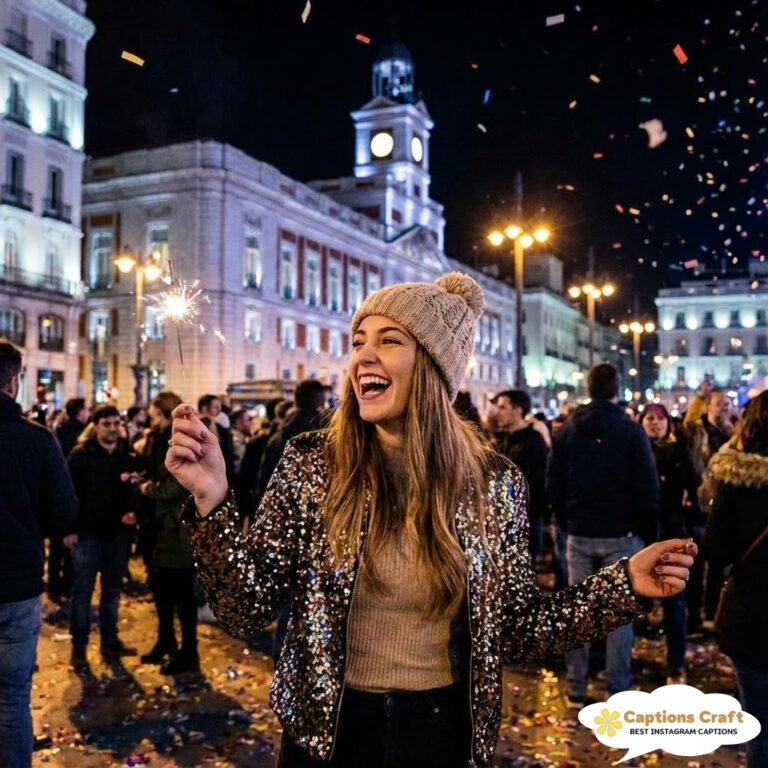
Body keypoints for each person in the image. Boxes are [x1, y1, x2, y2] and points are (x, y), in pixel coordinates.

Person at [165, 274, 695, 767]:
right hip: (327, 734)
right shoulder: (311, 462)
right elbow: (245, 609)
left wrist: (622, 586)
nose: (363, 356)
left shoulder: (494, 482)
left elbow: (513, 627)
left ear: (434, 365)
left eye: (389, 340)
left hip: (442, 734)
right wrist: (213, 498)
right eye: (358, 341)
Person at [547, 363, 660, 707]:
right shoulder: (630, 431)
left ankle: (576, 688)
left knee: (579, 611)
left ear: (589, 388)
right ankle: (617, 689)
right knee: (617, 613)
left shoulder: (568, 429)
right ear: (617, 389)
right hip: (619, 533)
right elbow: (646, 486)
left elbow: (553, 479)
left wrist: (565, 519)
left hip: (578, 531)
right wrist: (646, 532)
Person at [0, 339, 78, 767]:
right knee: (11, 697)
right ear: (14, 382)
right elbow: (64, 510)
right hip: (18, 582)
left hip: (20, 579)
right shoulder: (37, 440)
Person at [703, 391, 768, 768]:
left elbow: (716, 549)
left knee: (759, 721)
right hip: (752, 614)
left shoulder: (737, 481)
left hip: (753, 616)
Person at [66, 405, 138, 668]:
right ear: (95, 426)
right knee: (82, 592)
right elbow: (68, 493)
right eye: (106, 424)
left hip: (117, 534)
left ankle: (110, 641)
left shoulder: (126, 455)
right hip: (87, 534)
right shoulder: (80, 455)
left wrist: (133, 511)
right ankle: (79, 648)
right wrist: (69, 530)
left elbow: (133, 490)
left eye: (115, 423)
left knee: (112, 591)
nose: (111, 429)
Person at [138, 391, 199, 675]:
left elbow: (178, 484)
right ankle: (166, 641)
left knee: (182, 595)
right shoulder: (155, 439)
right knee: (161, 591)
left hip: (176, 528)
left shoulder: (183, 441)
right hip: (156, 526)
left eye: (154, 414)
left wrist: (149, 489)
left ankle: (189, 652)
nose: (151, 419)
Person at [640, 403, 700, 684]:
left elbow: (693, 481)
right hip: (641, 533)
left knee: (674, 600)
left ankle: (676, 663)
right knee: (633, 598)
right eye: (650, 418)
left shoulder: (676, 450)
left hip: (671, 533)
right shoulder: (635, 449)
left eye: (660, 419)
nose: (655, 423)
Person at [490, 389, 549, 562]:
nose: (497, 413)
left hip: (526, 520)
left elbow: (539, 482)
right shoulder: (498, 441)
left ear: (518, 410)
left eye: (502, 407)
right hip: (498, 519)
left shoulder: (534, 442)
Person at [256, 379, 327, 499]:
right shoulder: (327, 432)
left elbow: (265, 479)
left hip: (283, 504)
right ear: (321, 400)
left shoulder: (279, 435)